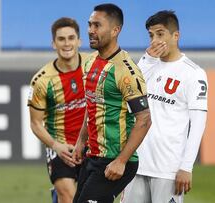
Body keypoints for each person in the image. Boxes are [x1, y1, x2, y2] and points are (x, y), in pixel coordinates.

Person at [122, 10, 208, 203]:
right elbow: (128, 102)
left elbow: (198, 123)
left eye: (160, 34)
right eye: (151, 35)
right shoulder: (146, 66)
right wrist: (147, 61)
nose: (155, 40)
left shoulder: (194, 73)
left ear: (175, 35)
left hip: (168, 169)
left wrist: (187, 167)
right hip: (136, 163)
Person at [70, 3, 152, 203]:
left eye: (97, 25)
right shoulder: (89, 62)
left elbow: (144, 119)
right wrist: (81, 141)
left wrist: (121, 161)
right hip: (92, 157)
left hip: (115, 162)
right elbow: (92, 105)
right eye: (89, 24)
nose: (90, 30)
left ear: (116, 30)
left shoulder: (126, 71)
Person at [27, 17, 87, 203]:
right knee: (69, 196)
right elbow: (35, 123)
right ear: (54, 43)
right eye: (61, 39)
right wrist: (55, 146)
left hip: (92, 144)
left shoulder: (94, 66)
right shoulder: (41, 81)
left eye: (71, 38)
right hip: (62, 147)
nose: (67, 43)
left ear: (79, 41)